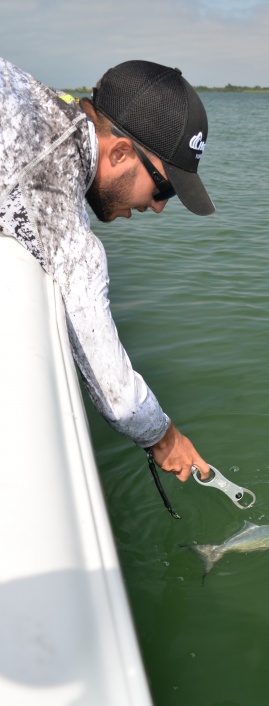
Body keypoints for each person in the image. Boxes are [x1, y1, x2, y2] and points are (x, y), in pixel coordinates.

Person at [0, 58, 211, 481]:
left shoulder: (27, 94)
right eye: (164, 186)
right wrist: (165, 439)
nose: (158, 206)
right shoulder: (53, 186)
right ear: (119, 152)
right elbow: (118, 396)